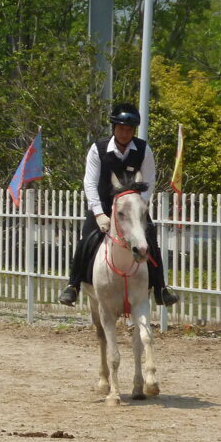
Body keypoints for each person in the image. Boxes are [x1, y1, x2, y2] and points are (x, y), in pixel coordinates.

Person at [58, 103, 179, 308]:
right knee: (86, 239)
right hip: (104, 206)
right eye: (121, 128)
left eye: (130, 129)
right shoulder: (98, 149)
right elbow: (89, 182)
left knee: (150, 238)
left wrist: (140, 208)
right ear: (113, 128)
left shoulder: (143, 149)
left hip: (132, 208)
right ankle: (73, 285)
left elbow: (149, 182)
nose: (125, 133)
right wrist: (98, 214)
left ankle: (161, 288)